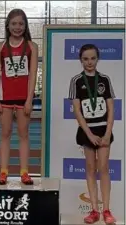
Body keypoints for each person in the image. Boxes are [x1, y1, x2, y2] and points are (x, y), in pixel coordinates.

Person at [68, 44, 116, 224]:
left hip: (104, 130)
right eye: (85, 59)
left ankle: (107, 210)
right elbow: (77, 111)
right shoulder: (76, 81)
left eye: (93, 58)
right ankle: (94, 210)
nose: (89, 62)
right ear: (80, 60)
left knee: (103, 168)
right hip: (87, 132)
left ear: (98, 59)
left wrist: (107, 133)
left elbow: (111, 109)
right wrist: (89, 134)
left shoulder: (104, 79)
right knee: (90, 169)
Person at [0, 9, 38, 185]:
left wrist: (29, 99)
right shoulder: (0, 47)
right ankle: (3, 172)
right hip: (5, 97)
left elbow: (33, 73)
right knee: (5, 134)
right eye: (14, 24)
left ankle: (24, 172)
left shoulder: (32, 46)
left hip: (23, 98)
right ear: (8, 25)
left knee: (23, 134)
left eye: (20, 24)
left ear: (25, 25)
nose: (17, 27)